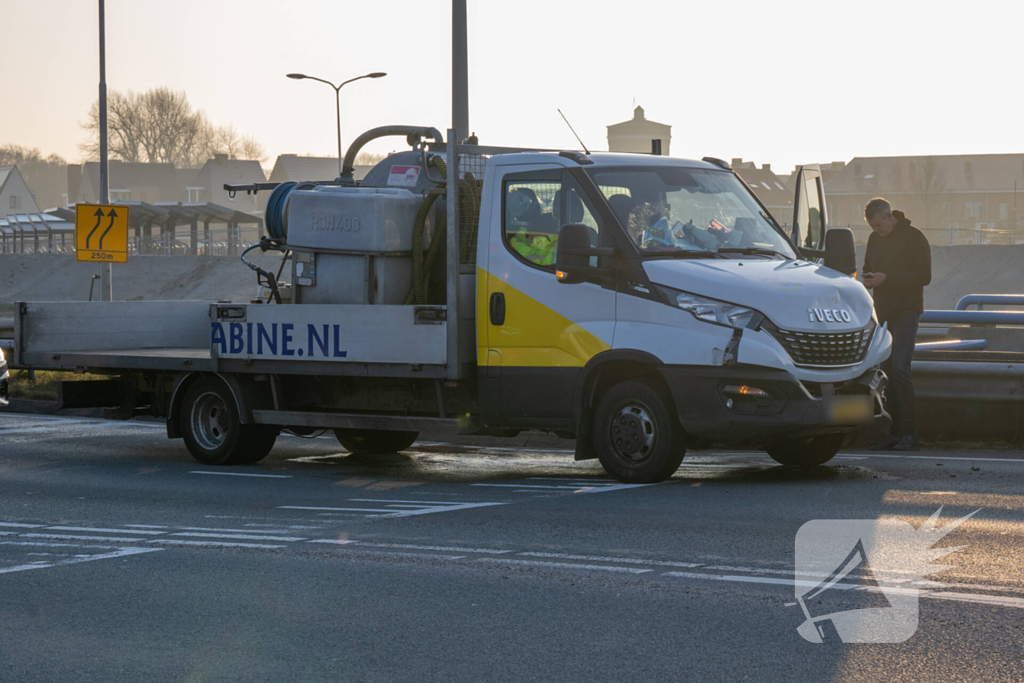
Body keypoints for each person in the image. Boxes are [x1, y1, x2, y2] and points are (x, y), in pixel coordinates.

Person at [862, 197, 931, 451]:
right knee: (888, 371)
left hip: (906, 311)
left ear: (890, 216)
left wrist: (887, 279)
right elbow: (868, 266)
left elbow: (924, 276)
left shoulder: (914, 237)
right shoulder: (874, 239)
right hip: (883, 311)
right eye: (873, 228)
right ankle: (894, 432)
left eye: (880, 226)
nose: (878, 232)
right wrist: (868, 278)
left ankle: (910, 435)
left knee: (901, 367)